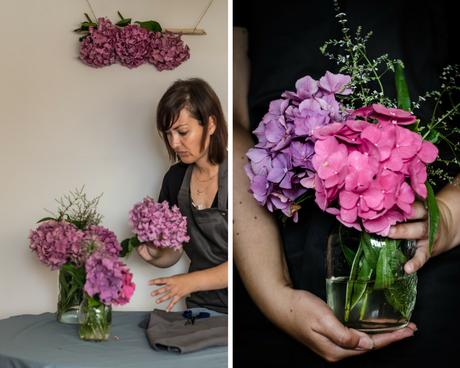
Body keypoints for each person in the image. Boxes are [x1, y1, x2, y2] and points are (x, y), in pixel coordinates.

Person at [233, 0, 460, 366]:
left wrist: (451, 212)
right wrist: (273, 293)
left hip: (429, 254)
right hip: (271, 255)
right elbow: (231, 127)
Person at [137, 78, 228, 317]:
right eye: (168, 134)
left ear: (210, 124)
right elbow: (173, 251)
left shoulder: (241, 175)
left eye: (183, 132)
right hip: (202, 309)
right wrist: (155, 253)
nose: (174, 143)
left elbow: (250, 263)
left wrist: (190, 282)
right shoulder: (174, 179)